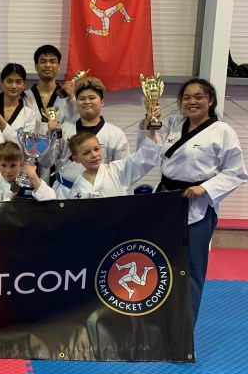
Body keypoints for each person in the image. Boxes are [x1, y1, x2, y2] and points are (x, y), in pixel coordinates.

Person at [137, 78, 248, 325]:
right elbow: (148, 154)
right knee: (160, 261)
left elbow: (236, 172)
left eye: (198, 96)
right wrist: (149, 125)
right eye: (186, 97)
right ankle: (156, 320)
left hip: (197, 205)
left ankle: (183, 329)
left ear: (210, 100)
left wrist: (205, 188)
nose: (192, 101)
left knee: (193, 269)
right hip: (165, 200)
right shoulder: (173, 123)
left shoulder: (222, 132)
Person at [37, 77, 130, 199]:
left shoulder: (115, 134)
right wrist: (50, 137)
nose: (87, 102)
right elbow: (45, 161)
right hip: (66, 193)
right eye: (82, 99)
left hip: (101, 195)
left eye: (92, 98)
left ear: (102, 102)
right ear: (76, 102)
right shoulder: (63, 130)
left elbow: (123, 172)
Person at [23, 45, 78, 182]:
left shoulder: (67, 97)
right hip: (29, 158)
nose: (48, 65)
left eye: (52, 61)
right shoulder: (24, 97)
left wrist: (72, 98)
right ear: (36, 66)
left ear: (58, 66)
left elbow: (75, 124)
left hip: (58, 159)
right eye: (43, 61)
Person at [67, 130, 161, 199]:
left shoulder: (117, 170)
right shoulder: (77, 186)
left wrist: (152, 130)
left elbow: (145, 158)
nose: (94, 155)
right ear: (76, 159)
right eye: (86, 153)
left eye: (96, 149)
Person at [0, 63, 37, 143]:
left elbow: (25, 145)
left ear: (24, 84)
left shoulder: (29, 114)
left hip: (16, 155)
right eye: (9, 81)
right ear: (1, 82)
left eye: (18, 82)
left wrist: (2, 123)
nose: (13, 86)